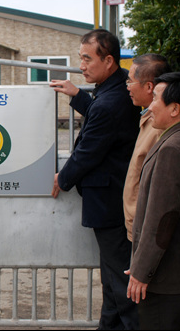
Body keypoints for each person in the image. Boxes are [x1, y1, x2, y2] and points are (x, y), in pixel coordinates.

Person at [49, 29, 140, 329]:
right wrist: (79, 96)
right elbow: (105, 122)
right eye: (80, 58)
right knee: (113, 279)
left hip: (110, 203)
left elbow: (88, 151)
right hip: (116, 200)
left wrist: (62, 179)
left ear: (109, 60)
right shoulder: (117, 89)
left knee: (119, 281)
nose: (82, 65)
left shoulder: (110, 101)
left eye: (88, 59)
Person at [125, 72, 180, 330]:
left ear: (175, 108)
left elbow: (162, 219)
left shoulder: (173, 149)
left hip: (167, 281)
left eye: (156, 99)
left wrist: (141, 271)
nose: (150, 105)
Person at [123, 54, 172, 241]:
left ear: (149, 86)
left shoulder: (159, 126)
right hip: (138, 223)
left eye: (130, 81)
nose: (127, 87)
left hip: (146, 228)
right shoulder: (147, 117)